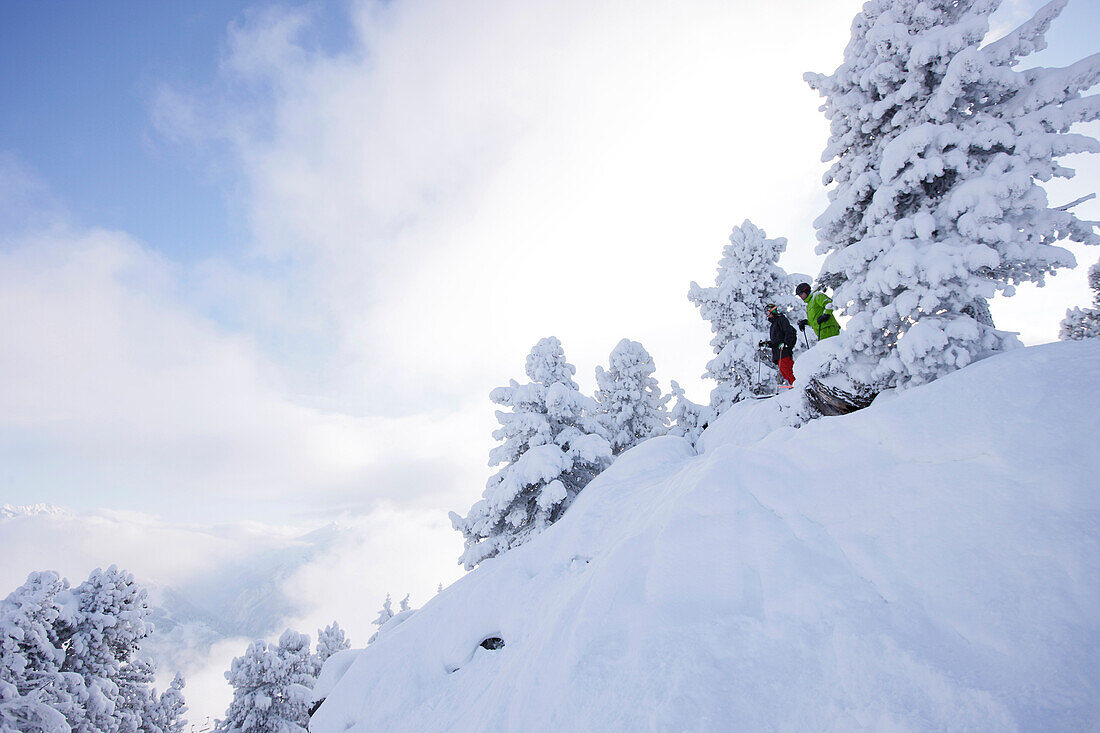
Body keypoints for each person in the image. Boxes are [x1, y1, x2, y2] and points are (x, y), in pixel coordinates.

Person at [764, 304, 797, 387]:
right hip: (778, 353)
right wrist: (767, 344)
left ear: (772, 311)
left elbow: (788, 332)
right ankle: (793, 386)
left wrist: (786, 343)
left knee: (789, 370)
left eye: (767, 312)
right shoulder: (773, 324)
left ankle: (798, 386)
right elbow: (776, 341)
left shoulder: (782, 320)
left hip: (784, 351)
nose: (767, 315)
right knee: (785, 373)